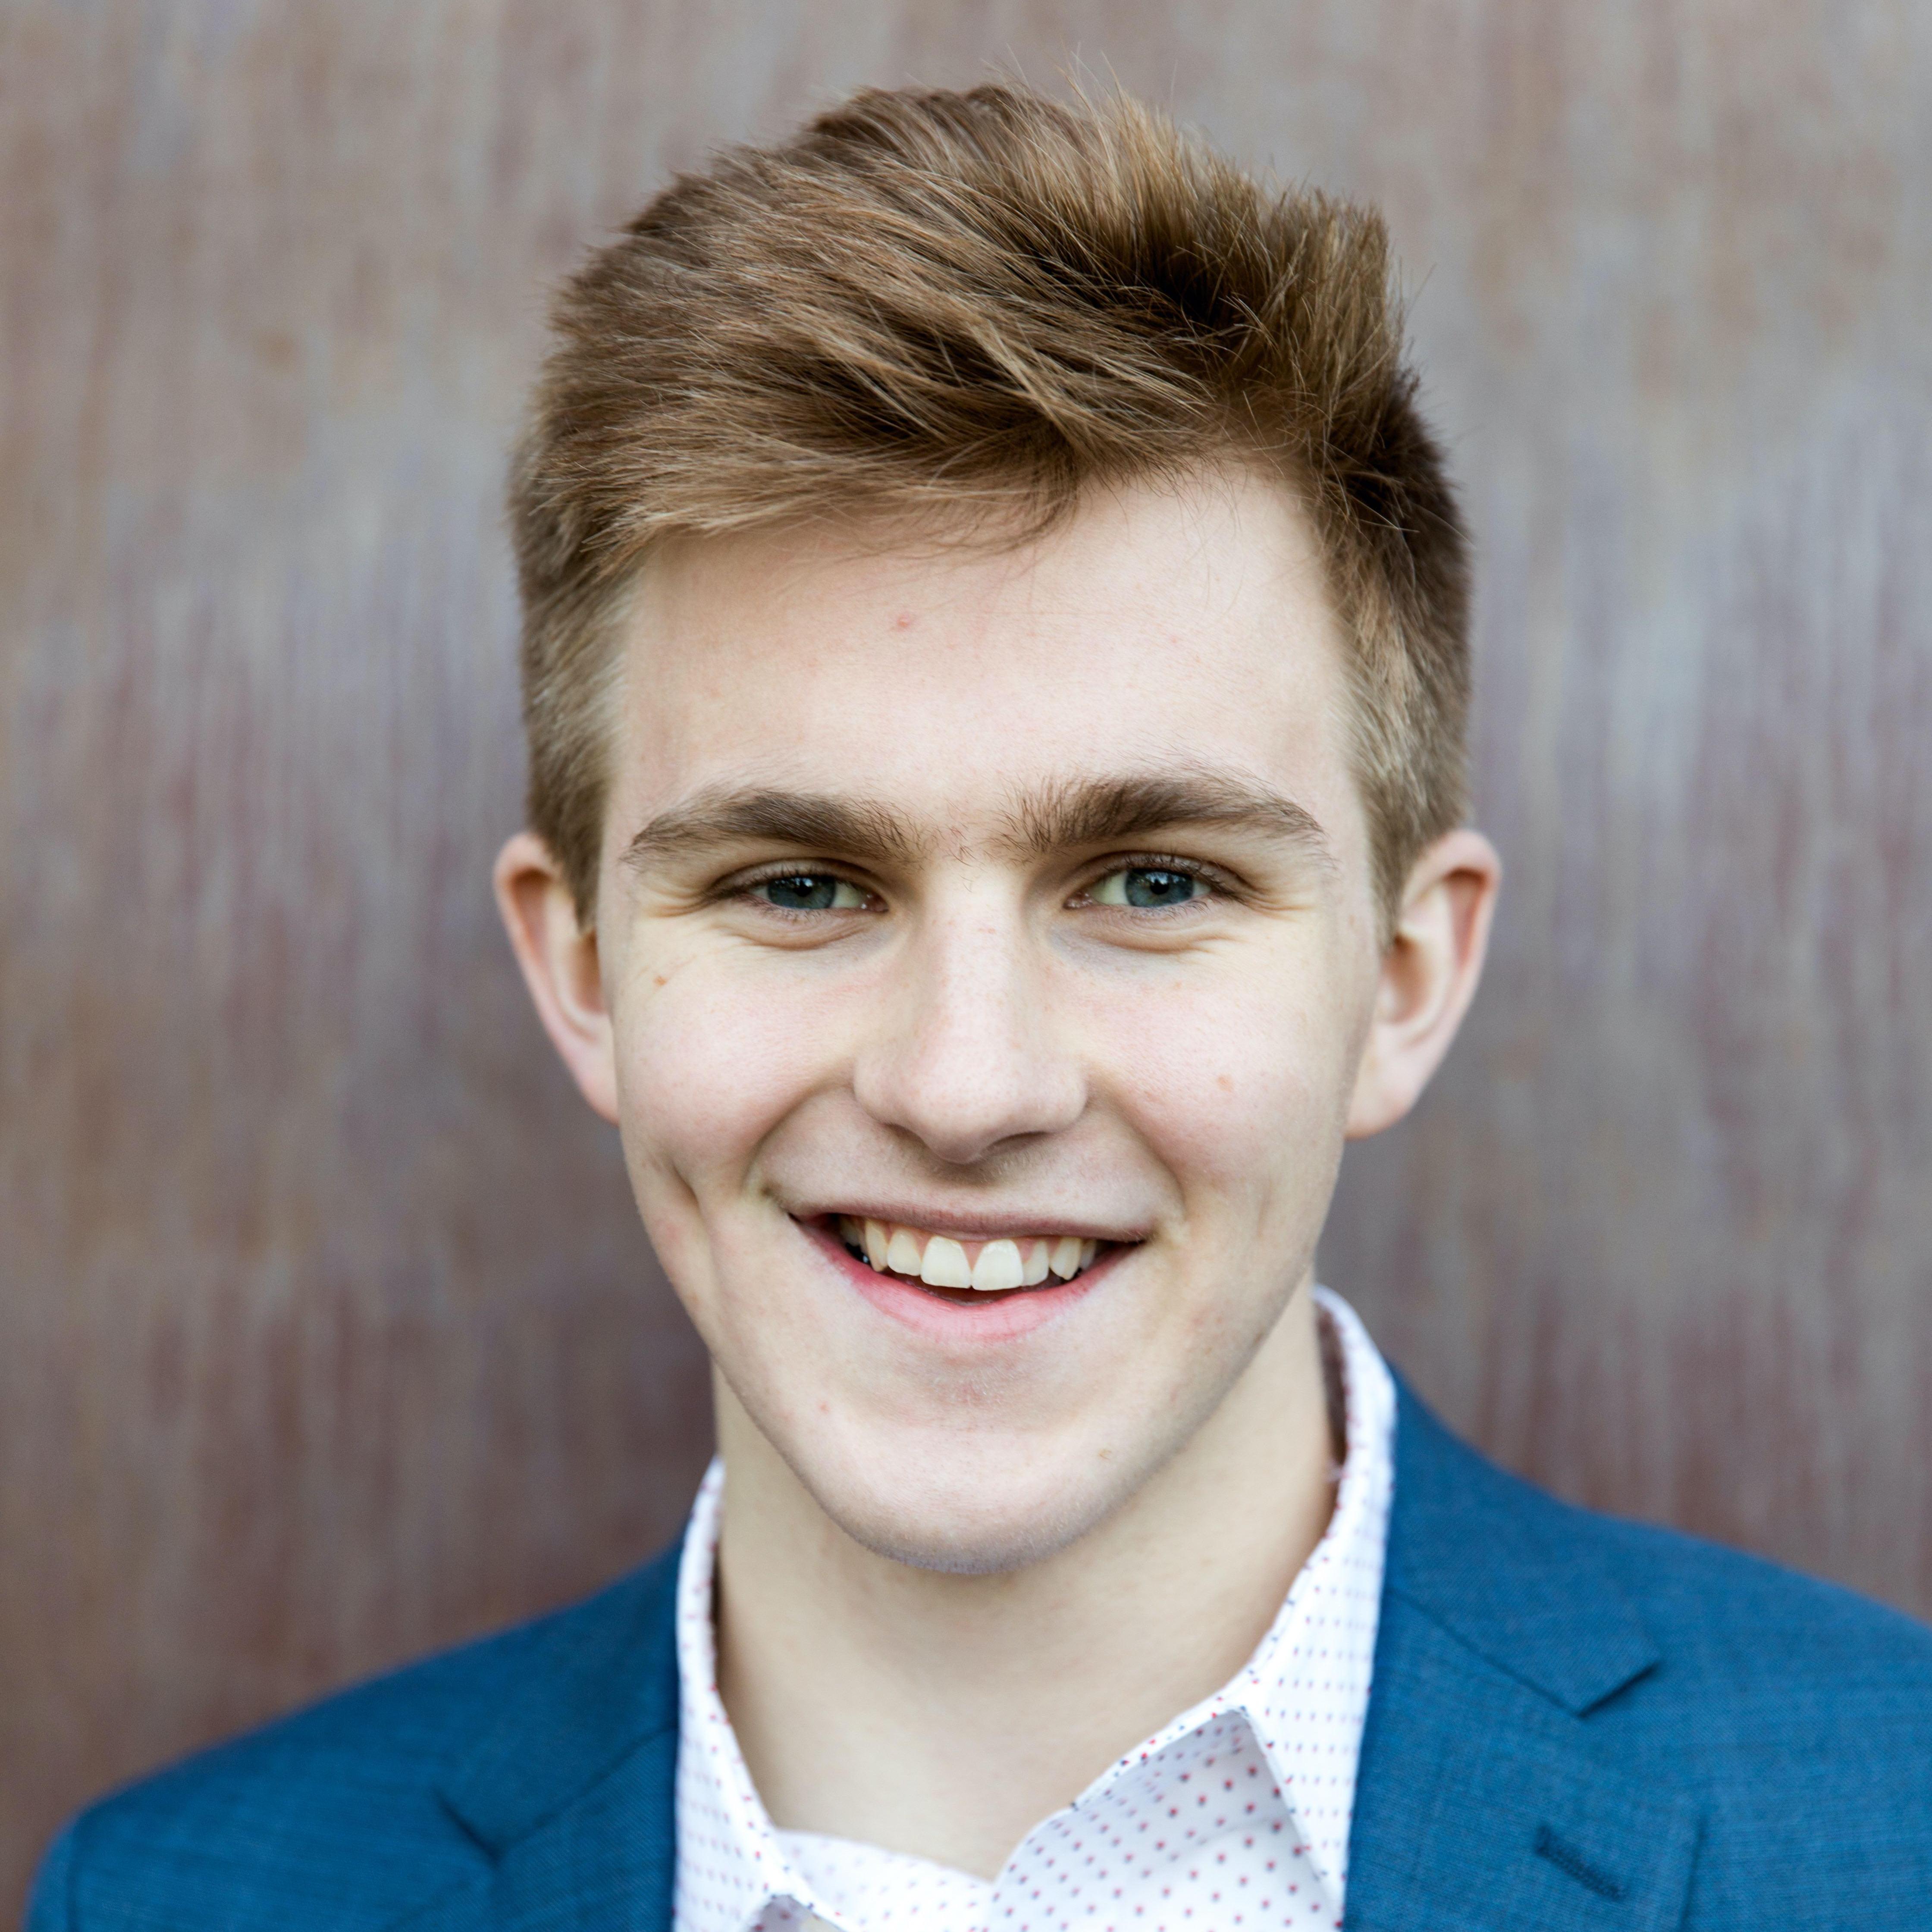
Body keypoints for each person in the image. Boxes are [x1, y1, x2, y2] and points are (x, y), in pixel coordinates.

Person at [30, 82, 1932, 1932]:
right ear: (586, 971)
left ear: (1401, 981)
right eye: (799, 884)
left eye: (1155, 881)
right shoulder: (182, 1900)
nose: (966, 1085)